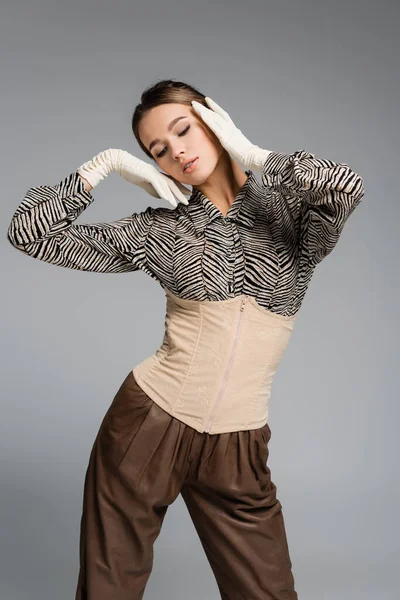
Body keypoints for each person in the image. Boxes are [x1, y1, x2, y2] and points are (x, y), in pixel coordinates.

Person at [7, 78, 365, 600]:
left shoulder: (290, 217)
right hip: (147, 427)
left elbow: (347, 186)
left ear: (213, 121)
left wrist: (253, 154)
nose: (176, 151)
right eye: (158, 149)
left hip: (239, 444)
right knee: (110, 589)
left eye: (183, 130)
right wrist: (102, 167)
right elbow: (29, 233)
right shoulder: (161, 232)